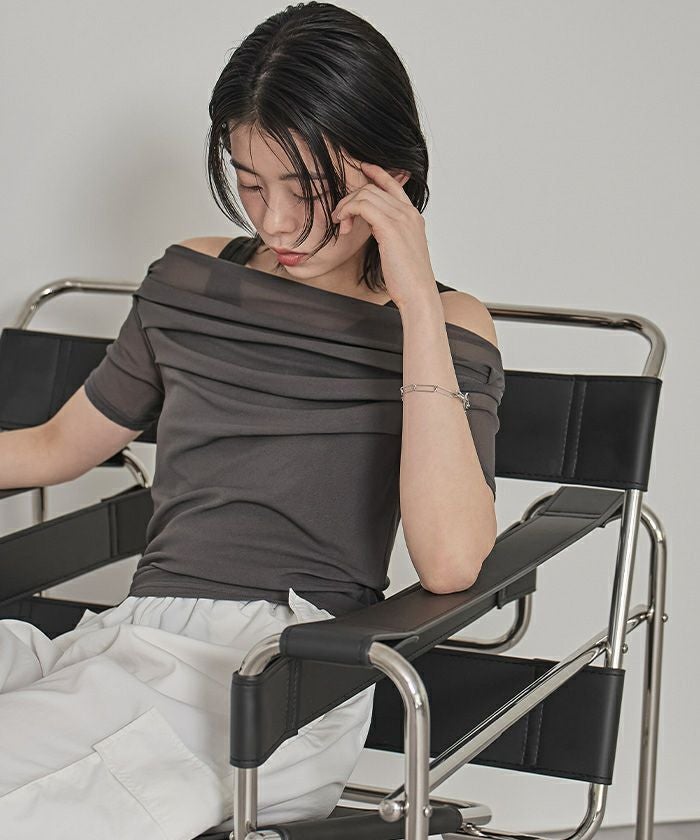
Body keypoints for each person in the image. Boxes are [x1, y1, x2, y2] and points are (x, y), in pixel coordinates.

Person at [0, 2, 505, 838]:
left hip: (277, 682)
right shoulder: (192, 279)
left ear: (393, 175)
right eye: (250, 181)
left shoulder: (447, 324)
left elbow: (451, 561)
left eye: (307, 190)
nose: (274, 221)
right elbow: (56, 447)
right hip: (130, 640)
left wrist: (416, 297)